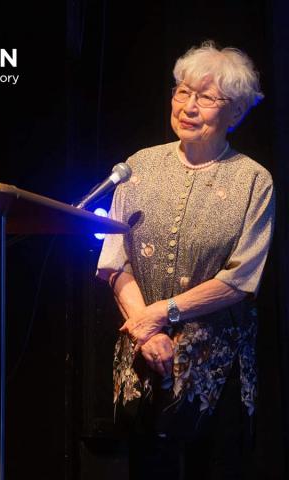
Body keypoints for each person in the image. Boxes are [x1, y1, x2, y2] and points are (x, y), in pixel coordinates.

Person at [96, 41, 275, 479]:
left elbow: (242, 278)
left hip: (217, 365)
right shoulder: (138, 167)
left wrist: (162, 312)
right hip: (145, 354)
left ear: (235, 113)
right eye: (182, 92)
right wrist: (145, 328)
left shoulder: (254, 180)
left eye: (206, 98)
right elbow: (114, 261)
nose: (188, 106)